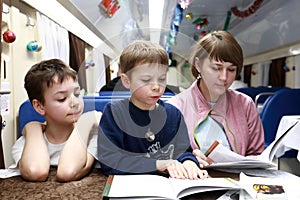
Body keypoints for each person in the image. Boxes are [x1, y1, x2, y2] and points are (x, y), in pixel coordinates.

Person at [98, 40, 208, 180]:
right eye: (146, 80)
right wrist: (157, 164)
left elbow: (183, 151)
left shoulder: (173, 114)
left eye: (161, 79)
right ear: (126, 81)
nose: (156, 86)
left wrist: (189, 162)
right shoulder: (115, 113)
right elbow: (110, 161)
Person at [167, 30, 265, 166]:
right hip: (194, 181)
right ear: (198, 65)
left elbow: (256, 154)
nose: (224, 77)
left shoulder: (245, 104)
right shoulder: (176, 106)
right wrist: (188, 160)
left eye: (231, 70)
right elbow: (166, 156)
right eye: (216, 68)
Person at [12, 59, 101, 182]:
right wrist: (32, 128)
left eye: (77, 94)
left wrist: (85, 121)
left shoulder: (91, 134)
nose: (75, 103)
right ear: (39, 106)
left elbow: (68, 171)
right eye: (62, 99)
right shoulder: (28, 141)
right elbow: (35, 172)